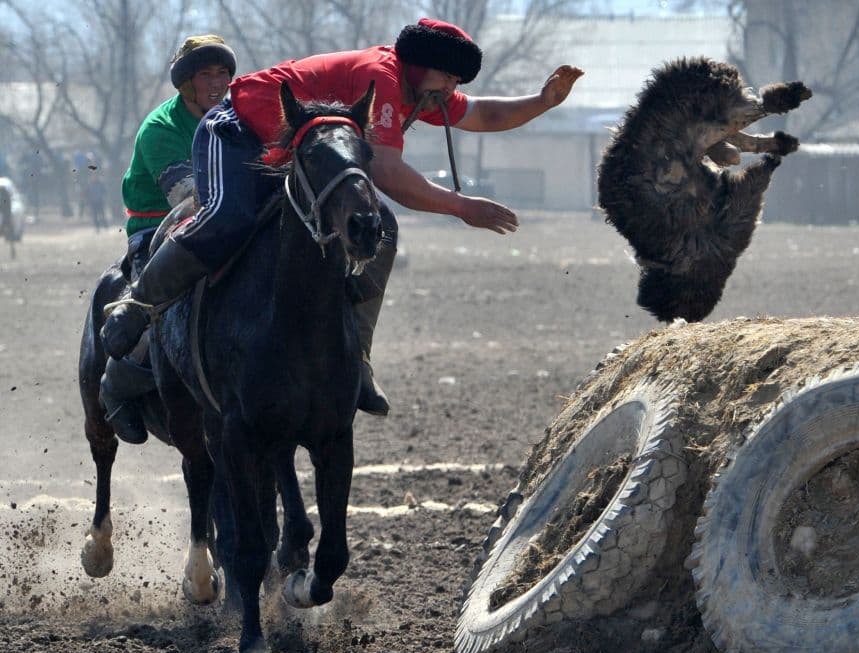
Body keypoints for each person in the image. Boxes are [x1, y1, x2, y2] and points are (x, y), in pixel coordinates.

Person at [101, 17, 584, 419]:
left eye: (456, 83)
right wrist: (462, 207)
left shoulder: (422, 88)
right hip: (236, 131)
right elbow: (389, 172)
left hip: (290, 147)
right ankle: (136, 306)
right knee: (229, 218)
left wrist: (542, 102)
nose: (453, 90)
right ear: (421, 67)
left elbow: (482, 115)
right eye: (449, 79)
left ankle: (357, 361)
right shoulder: (384, 78)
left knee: (382, 229)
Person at [100, 34, 236, 444]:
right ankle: (117, 383)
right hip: (158, 228)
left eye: (223, 73)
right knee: (156, 305)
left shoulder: (237, 118)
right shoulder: (160, 128)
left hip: (224, 222)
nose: (217, 83)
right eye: (205, 74)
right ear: (186, 84)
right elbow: (190, 199)